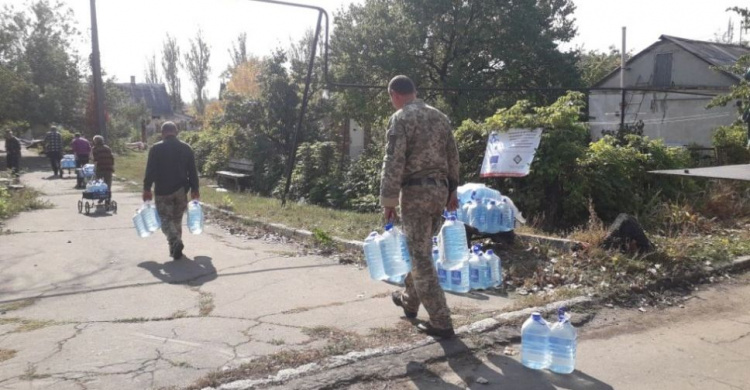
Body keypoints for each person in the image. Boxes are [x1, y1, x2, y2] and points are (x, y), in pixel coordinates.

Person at [381, 75, 460, 339]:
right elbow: (453, 156)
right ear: (414, 91)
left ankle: (441, 320)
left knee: (420, 257)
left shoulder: (401, 118)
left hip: (415, 192)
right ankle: (409, 301)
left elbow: (393, 162)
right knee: (421, 250)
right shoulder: (440, 117)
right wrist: (452, 190)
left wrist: (389, 202)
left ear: (394, 94)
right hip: (438, 191)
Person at [142, 121, 200, 260]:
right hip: (181, 190)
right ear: (176, 132)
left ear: (162, 133)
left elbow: (150, 171)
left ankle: (175, 241)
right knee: (177, 219)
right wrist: (195, 189)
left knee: (165, 219)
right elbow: (192, 171)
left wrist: (147, 188)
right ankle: (174, 249)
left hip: (163, 190)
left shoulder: (156, 149)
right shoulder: (186, 148)